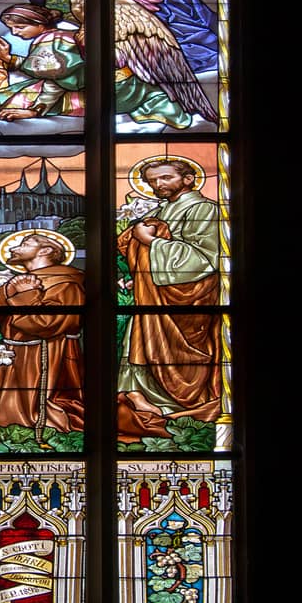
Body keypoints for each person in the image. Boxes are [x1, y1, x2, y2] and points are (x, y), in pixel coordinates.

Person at [116, 158, 220, 440]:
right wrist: (139, 273)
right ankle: (137, 394)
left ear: (188, 179)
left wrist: (151, 242)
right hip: (153, 294)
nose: (157, 185)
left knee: (168, 345)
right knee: (139, 335)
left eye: (165, 178)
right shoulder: (163, 210)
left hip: (188, 299)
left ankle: (172, 405)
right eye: (152, 181)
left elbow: (204, 259)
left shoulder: (203, 209)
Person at [0, 232, 84, 443]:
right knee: (13, 409)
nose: (15, 246)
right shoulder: (17, 282)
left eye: (26, 243)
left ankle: (49, 437)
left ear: (45, 251)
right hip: (15, 352)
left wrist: (24, 295)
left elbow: (45, 324)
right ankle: (15, 435)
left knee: (43, 405)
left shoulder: (67, 283)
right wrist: (11, 290)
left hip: (49, 353)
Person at [0, 3, 84, 119]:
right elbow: (41, 65)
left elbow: (54, 74)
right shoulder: (62, 35)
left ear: (40, 25)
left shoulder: (50, 39)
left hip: (68, 95)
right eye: (11, 28)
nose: (14, 32)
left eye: (20, 27)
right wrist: (8, 58)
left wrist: (35, 111)